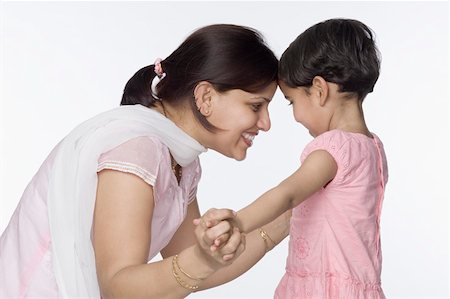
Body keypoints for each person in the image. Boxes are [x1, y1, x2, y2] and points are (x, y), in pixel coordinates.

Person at [0, 24, 291, 299]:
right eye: (256, 106)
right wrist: (202, 259)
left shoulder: (182, 161)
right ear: (205, 96)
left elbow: (197, 265)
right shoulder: (137, 150)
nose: (265, 124)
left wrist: (295, 213)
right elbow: (119, 285)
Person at [211, 18, 388, 298]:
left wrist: (237, 222)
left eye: (292, 101)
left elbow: (288, 194)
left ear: (319, 90)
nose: (294, 116)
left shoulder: (333, 147)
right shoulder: (372, 147)